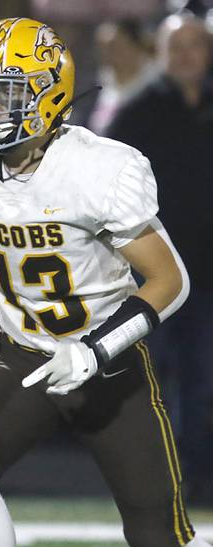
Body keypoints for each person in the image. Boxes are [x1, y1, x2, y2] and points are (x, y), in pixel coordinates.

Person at [0, 18, 213, 547]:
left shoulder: (96, 170)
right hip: (22, 350)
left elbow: (170, 280)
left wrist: (94, 349)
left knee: (163, 541)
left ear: (47, 94)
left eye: (1, 93)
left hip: (103, 358)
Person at [105, 12, 213, 503]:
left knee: (204, 381)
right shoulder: (139, 111)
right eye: (178, 45)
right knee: (156, 379)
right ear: (162, 53)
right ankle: (161, 477)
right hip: (158, 274)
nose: (187, 54)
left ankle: (202, 474)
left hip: (210, 274)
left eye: (196, 44)